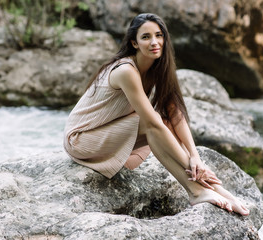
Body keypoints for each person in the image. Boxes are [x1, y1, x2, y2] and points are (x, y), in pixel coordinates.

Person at [63, 13, 249, 216]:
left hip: (107, 134)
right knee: (152, 122)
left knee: (165, 121)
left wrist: (196, 157)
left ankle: (210, 190)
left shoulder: (158, 69)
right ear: (134, 43)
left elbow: (175, 112)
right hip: (81, 140)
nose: (154, 42)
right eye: (146, 37)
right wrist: (195, 167)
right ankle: (197, 191)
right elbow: (152, 122)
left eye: (159, 35)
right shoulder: (126, 70)